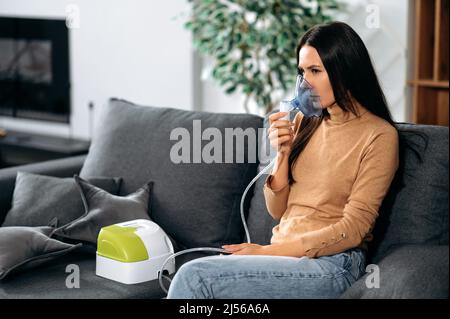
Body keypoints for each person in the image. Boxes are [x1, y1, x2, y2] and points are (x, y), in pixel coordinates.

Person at [167, 21, 401, 299]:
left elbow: (353, 230)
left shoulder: (379, 136)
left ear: (345, 70)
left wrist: (267, 251)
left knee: (194, 277)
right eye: (302, 72)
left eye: (316, 71)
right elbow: (277, 210)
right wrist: (283, 153)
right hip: (284, 255)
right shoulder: (306, 121)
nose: (305, 83)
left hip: (332, 264)